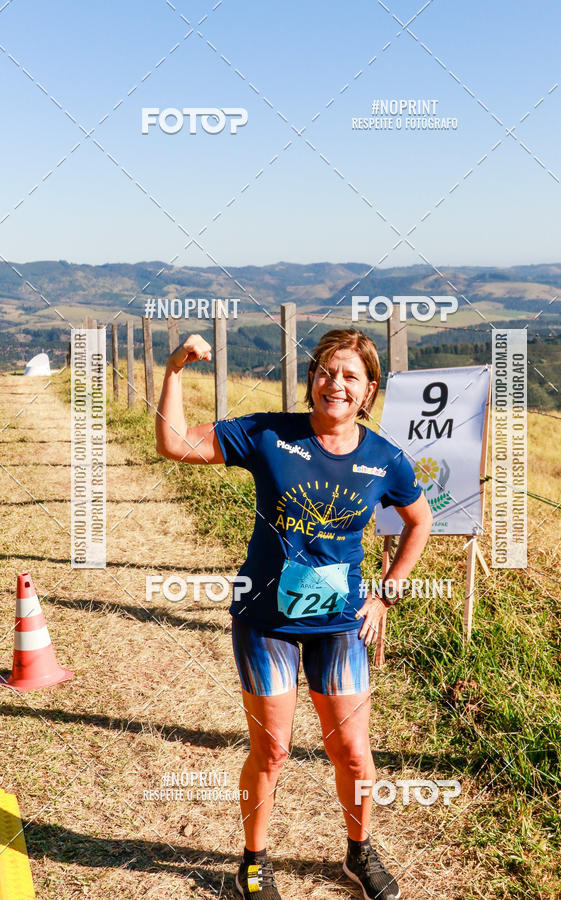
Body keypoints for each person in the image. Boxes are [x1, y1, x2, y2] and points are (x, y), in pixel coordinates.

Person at [155, 327, 433, 900]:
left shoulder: (386, 460)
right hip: (266, 621)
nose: (336, 384)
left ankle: (359, 854)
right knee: (273, 750)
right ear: (312, 380)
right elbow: (175, 443)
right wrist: (175, 370)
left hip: (341, 623)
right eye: (326, 372)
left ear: (368, 389)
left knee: (353, 753)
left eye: (350, 376)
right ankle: (252, 864)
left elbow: (419, 521)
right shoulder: (269, 435)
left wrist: (386, 593)